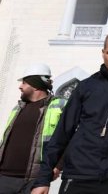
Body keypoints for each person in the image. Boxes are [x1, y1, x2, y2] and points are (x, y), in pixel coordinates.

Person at [32, 31, 108, 194]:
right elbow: (63, 132)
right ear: (103, 53)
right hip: (79, 175)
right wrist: (43, 179)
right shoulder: (86, 87)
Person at [0, 64, 65, 194]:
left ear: (35, 85)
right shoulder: (18, 108)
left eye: (24, 83)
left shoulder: (59, 106)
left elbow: (70, 139)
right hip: (4, 178)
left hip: (34, 180)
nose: (20, 87)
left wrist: (58, 166)